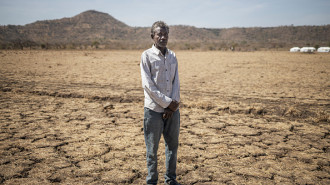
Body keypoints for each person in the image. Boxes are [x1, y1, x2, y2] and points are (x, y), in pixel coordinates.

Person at [140, 21, 181, 185]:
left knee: (172, 146)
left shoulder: (172, 56)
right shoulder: (146, 56)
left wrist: (174, 105)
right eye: (159, 34)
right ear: (153, 36)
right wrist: (167, 104)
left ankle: (170, 180)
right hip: (153, 111)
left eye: (165, 34)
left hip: (172, 110)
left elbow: (176, 82)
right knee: (152, 149)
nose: (163, 37)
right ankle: (152, 181)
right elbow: (148, 86)